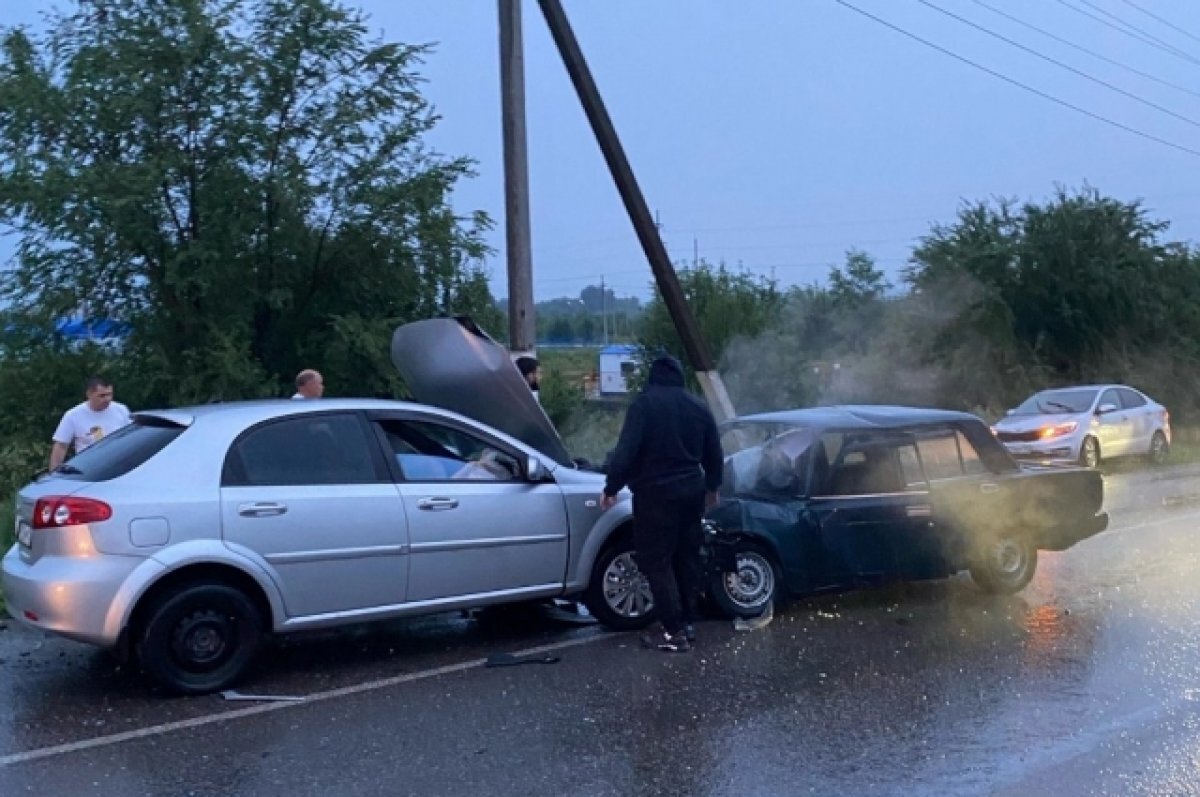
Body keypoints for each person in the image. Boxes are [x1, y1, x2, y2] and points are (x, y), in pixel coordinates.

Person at [600, 355, 724, 652]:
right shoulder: (698, 406)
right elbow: (714, 452)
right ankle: (686, 623)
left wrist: (611, 486)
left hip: (656, 494)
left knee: (657, 561)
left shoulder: (644, 405)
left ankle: (672, 632)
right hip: (691, 491)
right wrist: (712, 487)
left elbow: (627, 450)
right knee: (686, 557)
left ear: (653, 376)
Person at [49, 376, 132, 470]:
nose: (107, 399)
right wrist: (54, 473)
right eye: (102, 395)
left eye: (109, 394)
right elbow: (61, 446)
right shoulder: (73, 415)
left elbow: (132, 439)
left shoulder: (121, 410)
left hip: (119, 466)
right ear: (89, 394)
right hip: (88, 470)